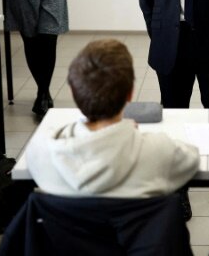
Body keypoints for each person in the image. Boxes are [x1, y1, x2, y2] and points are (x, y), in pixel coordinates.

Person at [25, 38, 199, 198]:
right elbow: (192, 159)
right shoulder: (160, 150)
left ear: (72, 92)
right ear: (130, 94)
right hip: (135, 231)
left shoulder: (41, 151)